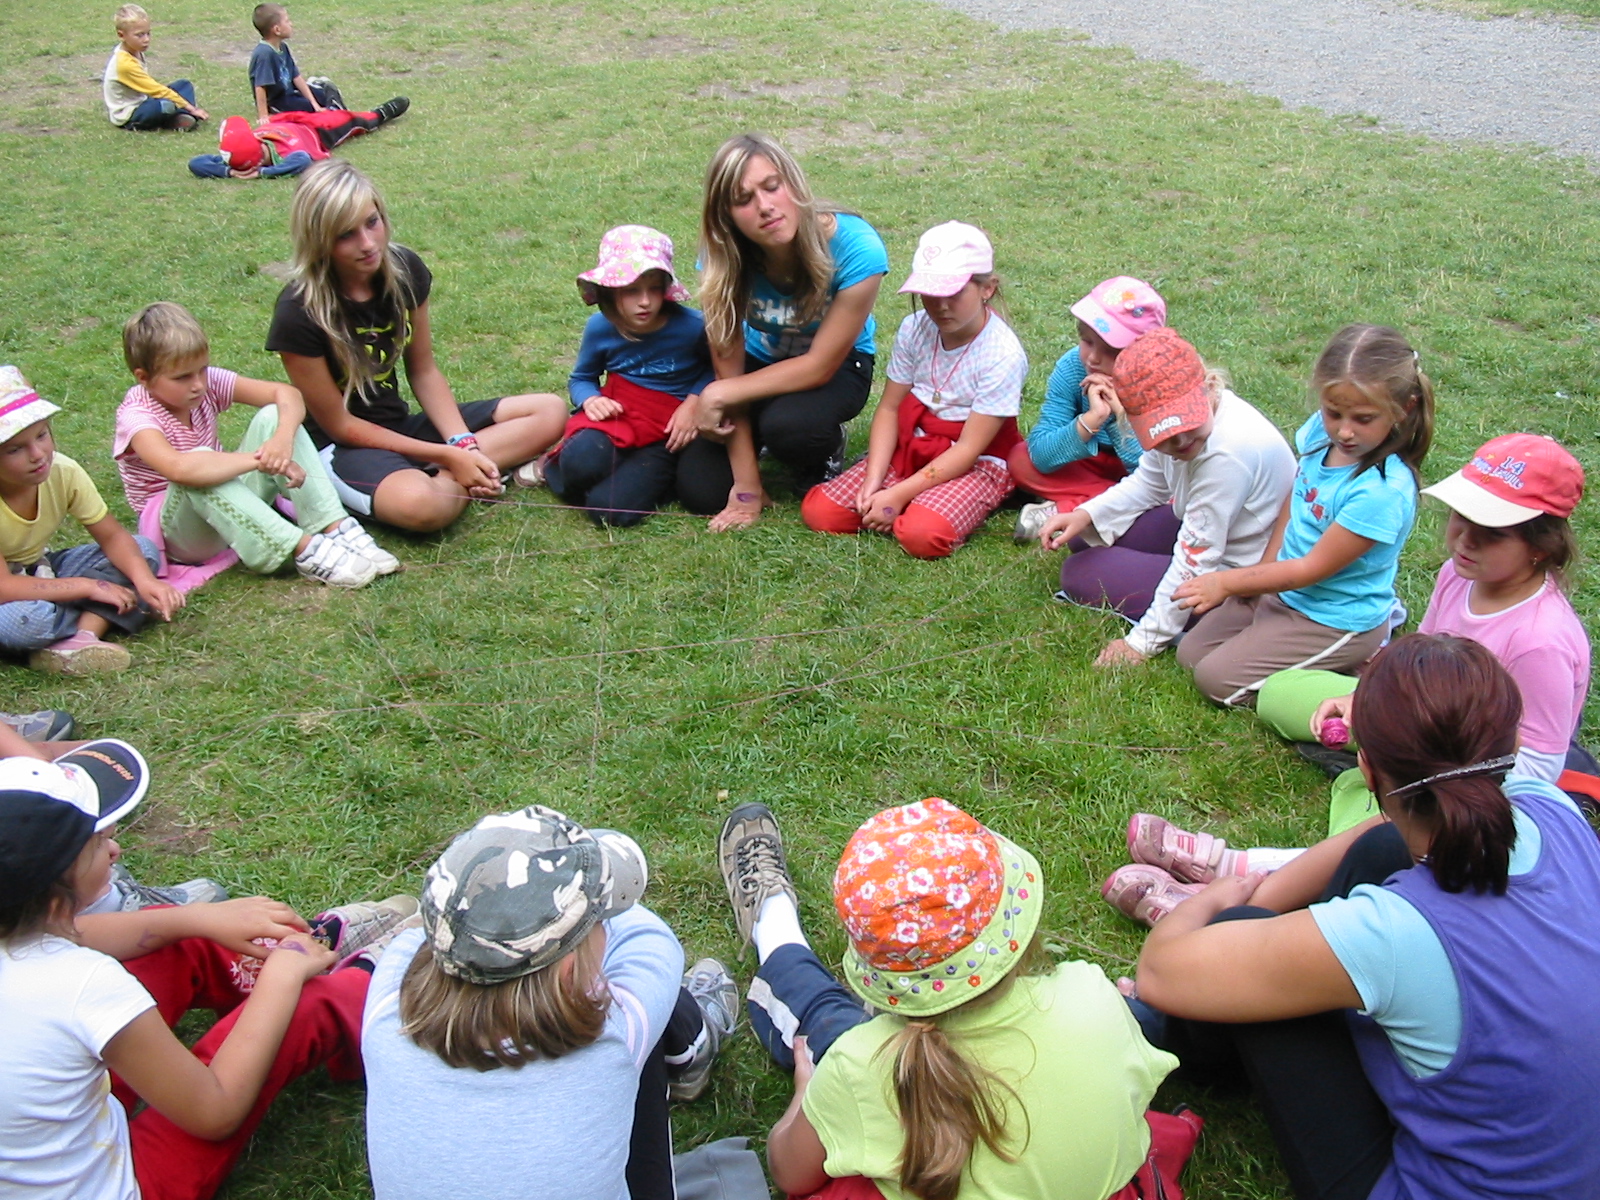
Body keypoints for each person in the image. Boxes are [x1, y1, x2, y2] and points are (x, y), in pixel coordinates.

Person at [1129, 634, 1600, 1200]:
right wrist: (1269, 892)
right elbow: (1385, 831)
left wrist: (1214, 902)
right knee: (1377, 853)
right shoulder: (1555, 809)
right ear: (1513, 743)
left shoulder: (1396, 933)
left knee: (1235, 934)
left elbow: (1159, 970)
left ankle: (1186, 1036)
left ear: (1366, 770)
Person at [719, 798, 1202, 1200]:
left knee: (824, 1024)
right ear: (1017, 928)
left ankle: (774, 921)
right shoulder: (1092, 995)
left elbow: (790, 1172)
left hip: (877, 1067)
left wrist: (807, 1095)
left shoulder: (859, 1066)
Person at [0, 739, 418, 1200]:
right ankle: (372, 985)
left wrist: (193, 918)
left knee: (167, 942)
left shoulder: (29, 940)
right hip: (131, 1187)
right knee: (294, 1008)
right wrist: (281, 980)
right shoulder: (82, 983)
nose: (115, 849)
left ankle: (295, 954)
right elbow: (215, 1111)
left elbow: (83, 933)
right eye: (99, 843)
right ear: (55, 902)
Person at [362, 805, 738, 1200]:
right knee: (633, 1041)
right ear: (567, 972)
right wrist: (579, 882)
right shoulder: (611, 1041)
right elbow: (652, 941)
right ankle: (692, 1051)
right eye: (597, 923)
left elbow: (414, 939)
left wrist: (495, 912)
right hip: (599, 1027)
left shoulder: (386, 1011)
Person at [266, 160, 567, 532]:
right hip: (341, 447)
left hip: (400, 426)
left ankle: (454, 476)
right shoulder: (297, 312)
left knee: (549, 411)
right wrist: (446, 455)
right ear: (318, 240)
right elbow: (339, 425)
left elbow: (423, 371)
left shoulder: (404, 270)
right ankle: (448, 479)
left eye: (372, 222)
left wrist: (463, 446)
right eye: (346, 235)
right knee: (422, 506)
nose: (368, 243)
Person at [1172, 325, 1433, 707]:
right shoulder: (1321, 436)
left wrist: (1228, 582)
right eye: (1333, 413)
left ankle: (1368, 686)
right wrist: (1261, 575)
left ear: (1403, 408)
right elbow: (1296, 502)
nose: (1344, 431)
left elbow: (1312, 568)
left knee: (1216, 681)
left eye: (1363, 418)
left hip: (1332, 619)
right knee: (1191, 655)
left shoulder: (1382, 492)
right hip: (1285, 591)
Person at [1038, 328, 1296, 669]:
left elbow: (1195, 560)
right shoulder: (1199, 421)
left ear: (1208, 386)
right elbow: (1150, 481)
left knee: (1079, 573)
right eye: (1163, 434)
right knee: (1083, 538)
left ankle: (1217, 618)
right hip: (1213, 528)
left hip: (1239, 570)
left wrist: (1141, 643)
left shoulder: (1227, 455)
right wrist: (1086, 514)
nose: (1180, 442)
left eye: (1186, 426)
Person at [679, 133, 888, 531]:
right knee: (703, 490)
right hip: (760, 358)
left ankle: (827, 447)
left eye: (772, 186)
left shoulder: (858, 248)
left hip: (836, 365)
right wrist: (746, 488)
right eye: (743, 200)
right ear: (726, 215)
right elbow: (729, 372)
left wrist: (718, 394)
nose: (765, 207)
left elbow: (819, 367)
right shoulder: (720, 257)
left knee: (792, 429)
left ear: (794, 184)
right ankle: (760, 437)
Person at [114, 302, 396, 589]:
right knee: (199, 465)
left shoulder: (204, 383)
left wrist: (281, 440)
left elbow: (286, 394)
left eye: (202, 370)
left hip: (226, 500)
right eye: (182, 377)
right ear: (144, 378)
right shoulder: (137, 416)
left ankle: (334, 527)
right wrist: (262, 460)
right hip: (181, 534)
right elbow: (180, 468)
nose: (198, 384)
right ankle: (306, 551)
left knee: (274, 415)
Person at [800, 221, 1025, 558]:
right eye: (930, 294)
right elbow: (890, 408)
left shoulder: (1002, 354)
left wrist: (899, 494)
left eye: (954, 293)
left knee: (923, 535)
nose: (941, 306)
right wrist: (874, 479)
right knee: (821, 511)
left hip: (973, 458)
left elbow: (968, 448)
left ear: (987, 288)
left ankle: (946, 499)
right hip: (914, 444)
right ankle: (912, 497)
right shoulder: (914, 328)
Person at [0, 366, 182, 675]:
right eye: (15, 449)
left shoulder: (63, 471)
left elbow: (112, 537)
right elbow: (5, 587)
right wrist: (90, 586)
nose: (37, 454)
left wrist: (145, 581)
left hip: (40, 569)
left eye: (42, 435)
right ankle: (114, 609)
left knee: (142, 551)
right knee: (23, 623)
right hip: (9, 592)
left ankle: (82, 637)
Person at [534, 225, 713, 526]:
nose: (645, 301)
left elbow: (719, 369)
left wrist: (694, 401)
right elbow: (581, 378)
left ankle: (659, 476)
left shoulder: (694, 326)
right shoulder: (600, 327)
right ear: (610, 290)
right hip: (620, 418)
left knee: (607, 510)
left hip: (669, 433)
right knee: (579, 465)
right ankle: (573, 464)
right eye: (631, 290)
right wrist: (591, 400)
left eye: (654, 288)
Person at [1010, 277, 1165, 543]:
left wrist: (1119, 420)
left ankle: (1065, 510)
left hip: (1141, 471)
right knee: (1021, 460)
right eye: (1087, 341)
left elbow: (1157, 471)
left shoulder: (1159, 382)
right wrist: (1092, 419)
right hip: (1089, 464)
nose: (1093, 358)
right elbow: (1041, 455)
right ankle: (1105, 509)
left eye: (1111, 351)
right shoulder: (1073, 367)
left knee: (1167, 498)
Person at [188, 104, 409, 180]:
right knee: (356, 120)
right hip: (317, 131)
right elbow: (302, 160)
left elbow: (198, 163)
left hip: (289, 120)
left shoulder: (240, 157)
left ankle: (329, 98)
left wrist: (233, 172)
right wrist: (259, 173)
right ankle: (382, 112)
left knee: (324, 106)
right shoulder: (286, 155)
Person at [102, 4, 207, 132]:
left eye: (148, 33)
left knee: (184, 85)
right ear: (121, 35)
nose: (146, 39)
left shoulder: (135, 50)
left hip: (144, 101)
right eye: (139, 35)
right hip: (131, 113)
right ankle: (180, 117)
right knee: (165, 104)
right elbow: (156, 90)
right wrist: (191, 108)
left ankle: (181, 117)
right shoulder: (124, 64)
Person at [248, 3, 343, 120]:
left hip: (290, 92)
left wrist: (315, 103)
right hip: (278, 100)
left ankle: (328, 103)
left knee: (321, 96)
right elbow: (260, 86)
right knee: (308, 109)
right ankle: (335, 112)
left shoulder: (283, 47)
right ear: (277, 30)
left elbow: (295, 76)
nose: (291, 24)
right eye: (287, 21)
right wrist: (263, 115)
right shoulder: (265, 54)